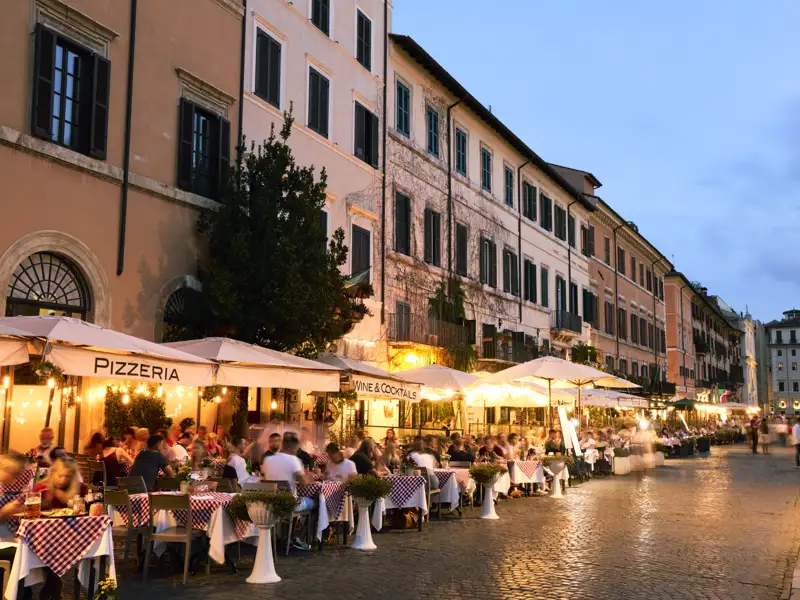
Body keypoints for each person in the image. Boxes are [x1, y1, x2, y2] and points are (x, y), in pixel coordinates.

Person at [261, 432, 314, 551]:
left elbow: (265, 479)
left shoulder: (268, 459)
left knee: (293, 503)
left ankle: (286, 537)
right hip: (289, 503)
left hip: (271, 502)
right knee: (315, 504)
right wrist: (310, 476)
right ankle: (296, 538)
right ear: (293, 446)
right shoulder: (294, 460)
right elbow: (304, 483)